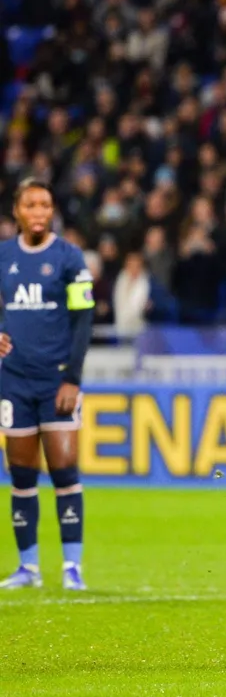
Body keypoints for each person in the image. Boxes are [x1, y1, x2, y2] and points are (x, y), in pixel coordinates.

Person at [0, 179, 96, 590]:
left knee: (64, 471)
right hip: (13, 380)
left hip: (56, 380)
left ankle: (72, 567)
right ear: (17, 211)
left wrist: (72, 377)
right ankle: (29, 568)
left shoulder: (69, 257)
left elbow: (84, 318)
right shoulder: (4, 256)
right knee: (21, 476)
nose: (39, 212)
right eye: (31, 205)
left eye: (45, 204)